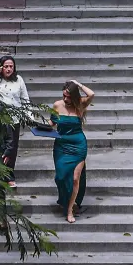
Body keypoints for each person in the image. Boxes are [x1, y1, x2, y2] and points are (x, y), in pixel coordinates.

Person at [51, 79, 95, 223]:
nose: (65, 99)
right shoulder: (57, 105)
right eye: (64, 95)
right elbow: (52, 123)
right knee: (61, 177)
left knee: (76, 178)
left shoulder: (80, 104)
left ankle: (70, 210)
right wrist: (41, 127)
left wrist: (78, 84)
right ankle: (65, 200)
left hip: (78, 145)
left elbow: (92, 94)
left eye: (69, 97)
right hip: (61, 146)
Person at [0, 55, 31, 187]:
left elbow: (25, 99)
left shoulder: (19, 80)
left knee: (12, 149)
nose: (9, 69)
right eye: (6, 66)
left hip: (13, 119)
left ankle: (9, 175)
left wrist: (28, 116)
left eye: (11, 66)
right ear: (1, 67)